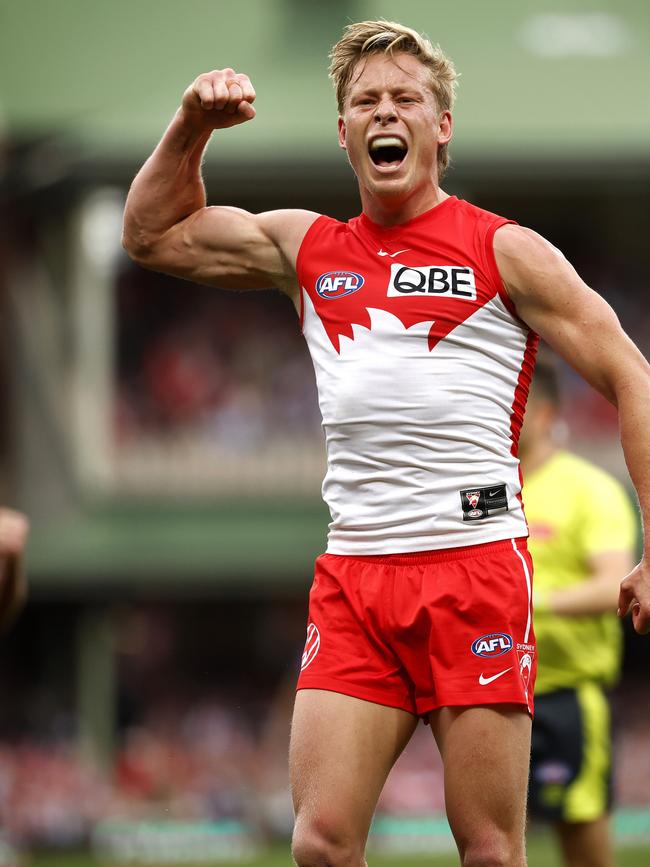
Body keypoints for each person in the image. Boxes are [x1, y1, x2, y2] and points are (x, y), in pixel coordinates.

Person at [122, 20, 650, 867]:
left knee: (489, 849)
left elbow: (633, 374)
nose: (384, 113)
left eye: (406, 98)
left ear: (442, 126)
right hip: (357, 577)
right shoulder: (306, 246)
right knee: (320, 845)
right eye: (365, 101)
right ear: (343, 133)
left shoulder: (504, 250)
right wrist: (190, 124)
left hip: (474, 567)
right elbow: (150, 236)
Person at [520, 358, 636, 867]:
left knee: (582, 842)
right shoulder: (482, 490)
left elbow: (615, 583)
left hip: (567, 696)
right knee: (486, 842)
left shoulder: (590, 490)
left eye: (510, 403)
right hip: (492, 690)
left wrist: (528, 603)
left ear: (543, 414)